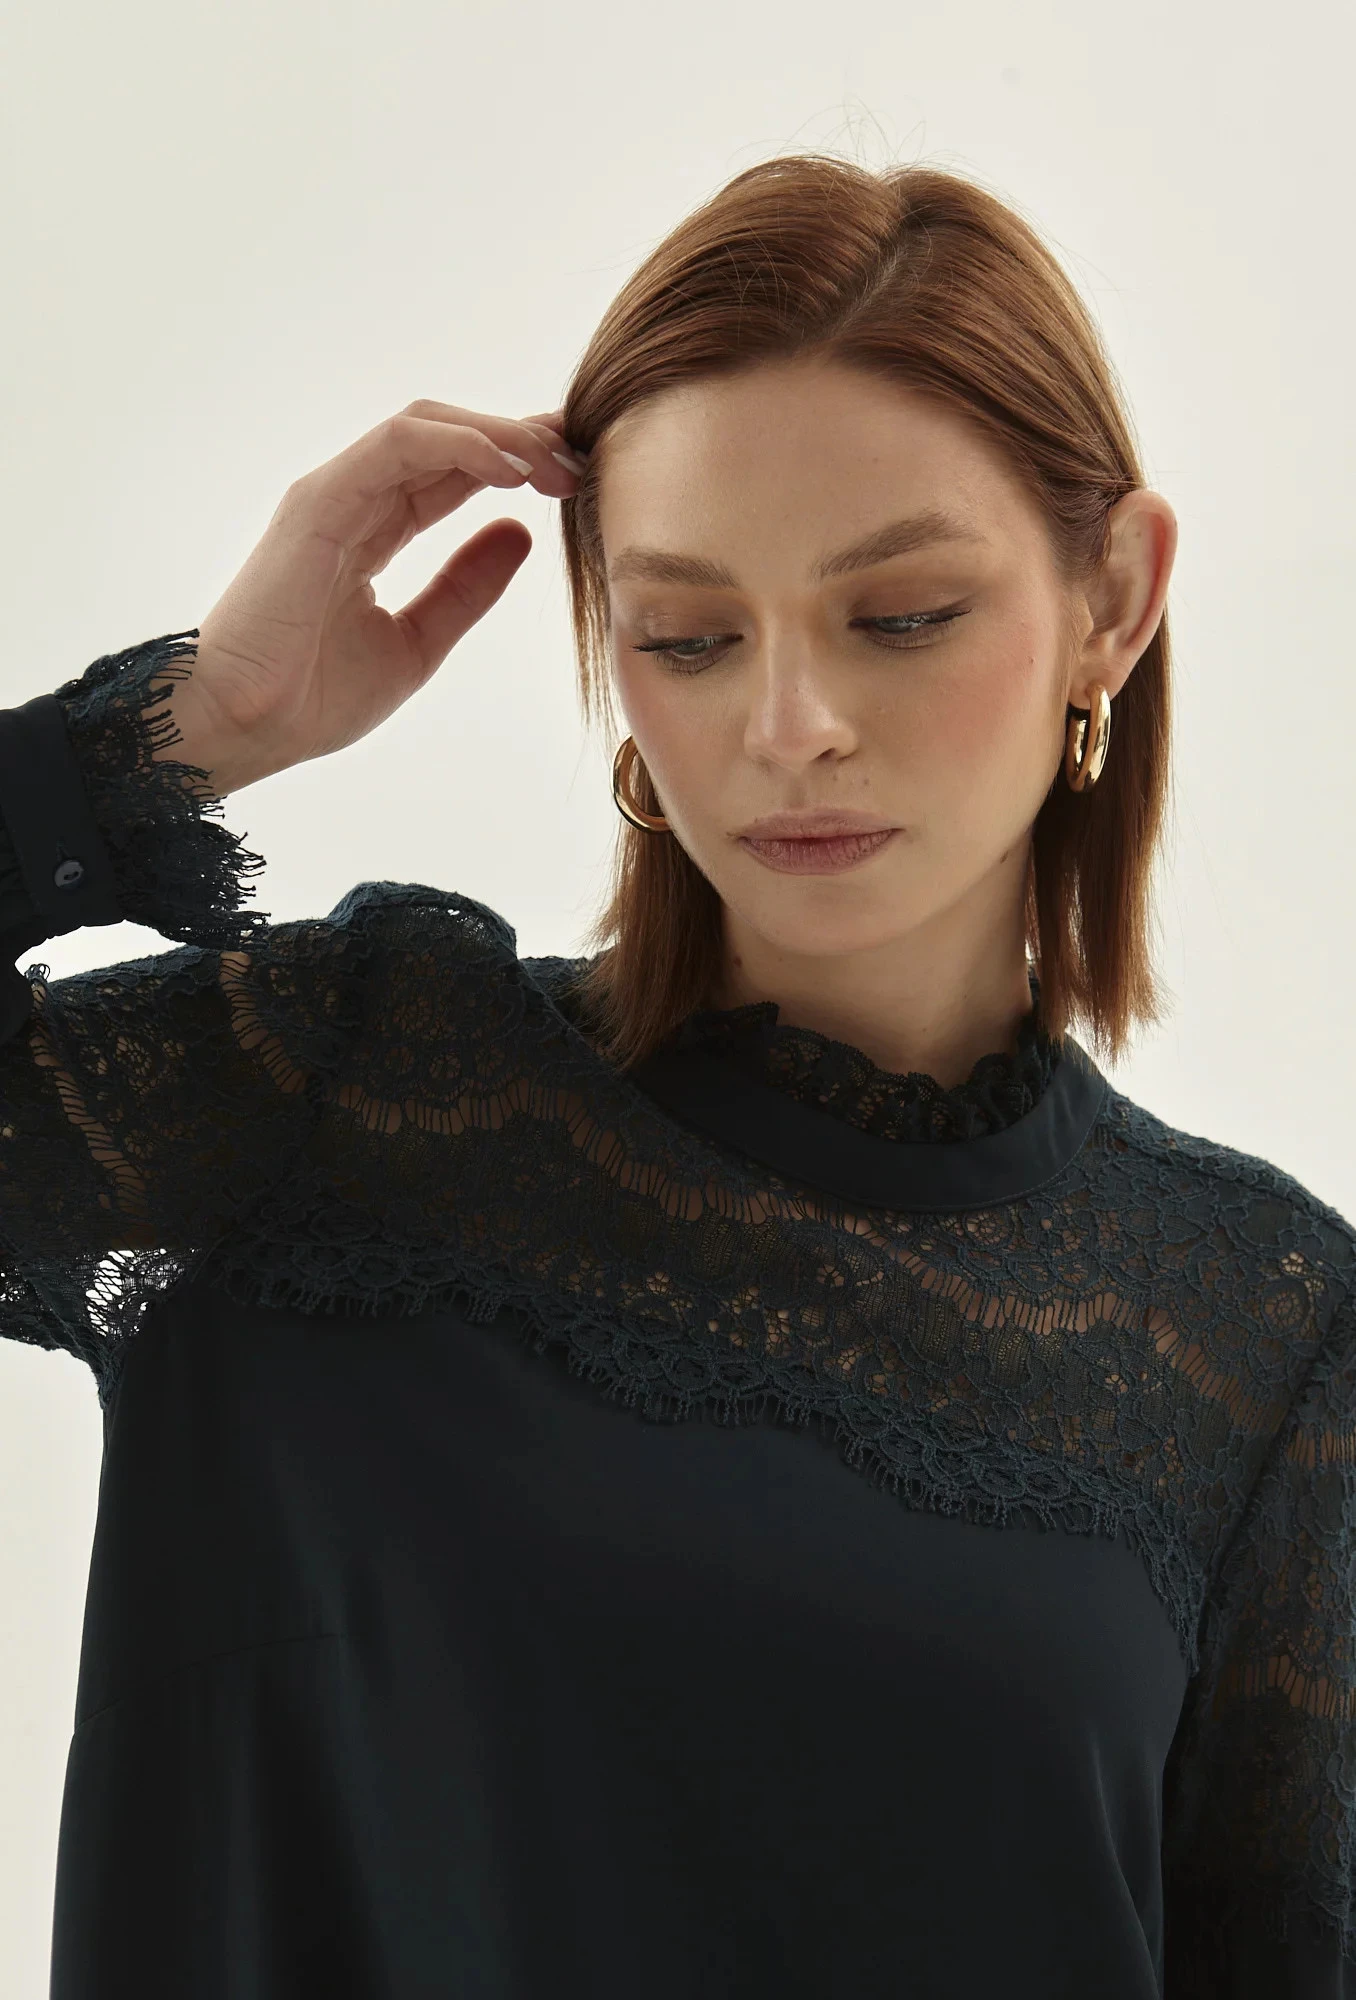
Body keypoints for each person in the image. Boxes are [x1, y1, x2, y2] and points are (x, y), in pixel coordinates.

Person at [0, 151, 1352, 2000]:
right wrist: (178, 731)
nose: (788, 727)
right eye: (689, 638)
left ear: (1112, 598)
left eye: (902, 616)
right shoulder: (348, 1096)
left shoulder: (1252, 1329)